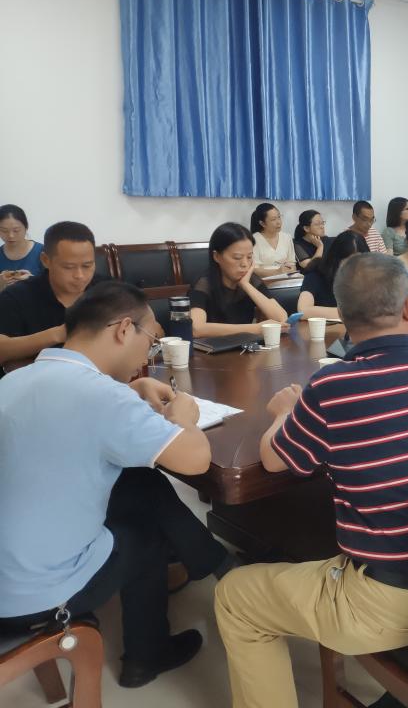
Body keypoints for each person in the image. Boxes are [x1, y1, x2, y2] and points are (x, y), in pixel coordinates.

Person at [214, 253, 408, 708]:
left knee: (234, 597)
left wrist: (282, 414)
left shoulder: (333, 387)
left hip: (388, 603)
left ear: (342, 317)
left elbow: (274, 461)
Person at [0, 281, 233, 688]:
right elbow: (195, 460)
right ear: (124, 329)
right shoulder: (102, 397)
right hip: (29, 600)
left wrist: (130, 389)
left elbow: (73, 413)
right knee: (143, 535)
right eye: (151, 341)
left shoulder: (17, 381)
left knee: (138, 481)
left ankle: (210, 562)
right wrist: (184, 417)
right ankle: (148, 654)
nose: (148, 354)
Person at [0, 221, 100, 370]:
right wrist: (57, 334)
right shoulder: (16, 297)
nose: (79, 275)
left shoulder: (107, 291)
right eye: (68, 267)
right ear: (45, 260)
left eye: (87, 266)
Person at [189, 223, 289, 338]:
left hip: (244, 345)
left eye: (249, 257)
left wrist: (246, 285)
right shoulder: (204, 283)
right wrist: (255, 329)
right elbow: (196, 328)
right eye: (237, 258)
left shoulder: (251, 280)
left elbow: (281, 318)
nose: (245, 264)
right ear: (216, 256)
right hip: (212, 347)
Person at [297, 229, 369, 320]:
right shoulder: (316, 273)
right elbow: (303, 311)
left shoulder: (369, 276)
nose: (355, 267)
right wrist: (350, 314)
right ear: (336, 259)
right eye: (349, 262)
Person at [0, 204, 44, 290]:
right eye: (4, 231)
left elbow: (58, 290)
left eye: (16, 230)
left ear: (26, 227)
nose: (11, 235)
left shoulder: (43, 252)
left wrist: (32, 281)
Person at [250, 203, 297, 278]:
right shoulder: (254, 239)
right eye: (273, 219)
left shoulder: (287, 237)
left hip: (286, 279)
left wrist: (290, 271)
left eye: (279, 217)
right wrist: (277, 272)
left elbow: (292, 264)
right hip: (263, 280)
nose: (278, 222)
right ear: (262, 223)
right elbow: (254, 269)